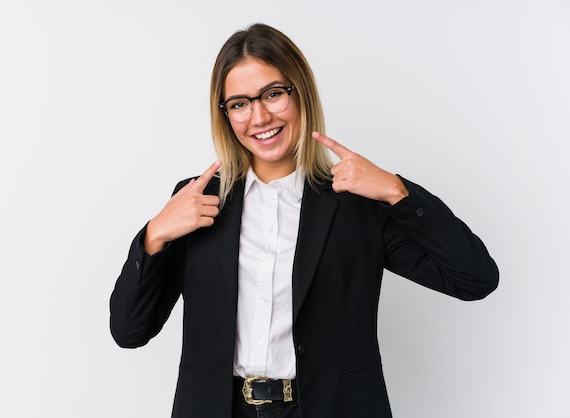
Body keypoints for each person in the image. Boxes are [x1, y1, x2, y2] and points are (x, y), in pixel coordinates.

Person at [110, 23, 499, 418]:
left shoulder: (356, 203)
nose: (259, 117)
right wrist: (154, 235)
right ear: (225, 114)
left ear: (301, 93)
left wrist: (397, 191)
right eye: (240, 103)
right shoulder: (199, 201)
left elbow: (475, 279)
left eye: (273, 94)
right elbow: (129, 331)